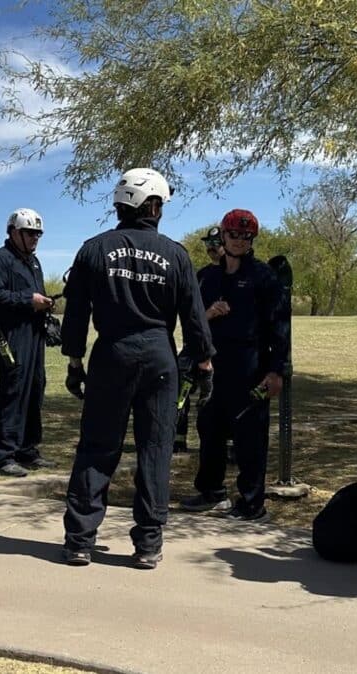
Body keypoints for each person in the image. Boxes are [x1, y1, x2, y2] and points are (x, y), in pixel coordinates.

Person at [60, 167, 215, 570]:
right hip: (158, 357)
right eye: (160, 203)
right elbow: (194, 317)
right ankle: (148, 543)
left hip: (111, 354)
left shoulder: (94, 249)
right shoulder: (176, 255)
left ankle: (79, 540)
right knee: (155, 448)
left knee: (97, 445)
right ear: (151, 205)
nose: (161, 210)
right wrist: (204, 360)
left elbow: (76, 312)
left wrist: (75, 360)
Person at [179, 209, 288, 521]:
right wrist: (207, 315)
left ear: (251, 240)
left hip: (251, 366)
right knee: (209, 428)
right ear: (222, 236)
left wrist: (276, 370)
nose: (239, 241)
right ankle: (211, 491)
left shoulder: (263, 277)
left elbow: (280, 327)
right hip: (212, 367)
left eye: (245, 236)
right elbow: (189, 321)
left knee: (250, 436)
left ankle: (252, 503)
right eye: (234, 235)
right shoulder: (205, 277)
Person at [0, 208, 57, 477]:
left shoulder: (33, 262)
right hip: (12, 335)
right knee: (13, 391)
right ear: (14, 232)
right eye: (30, 233)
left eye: (38, 234)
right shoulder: (0, 260)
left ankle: (28, 449)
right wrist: (28, 300)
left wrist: (45, 304)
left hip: (34, 333)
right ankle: (4, 456)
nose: (35, 238)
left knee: (35, 389)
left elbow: (36, 294)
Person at [174, 226, 227, 453]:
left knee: (216, 397)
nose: (211, 248)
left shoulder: (237, 275)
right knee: (180, 392)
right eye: (208, 244)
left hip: (222, 348)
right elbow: (190, 314)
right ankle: (178, 438)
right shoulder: (201, 276)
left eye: (216, 243)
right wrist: (208, 314)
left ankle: (220, 442)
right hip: (195, 346)